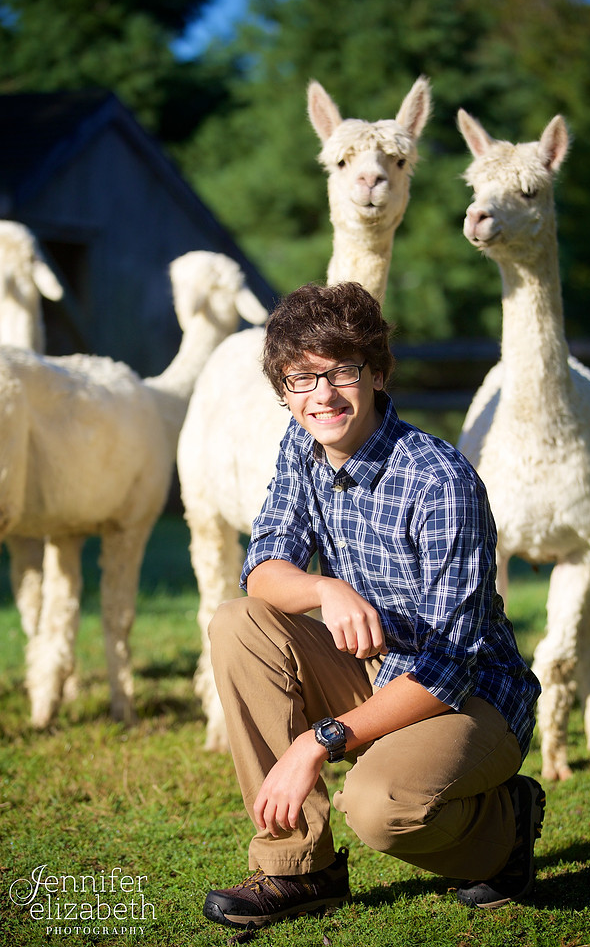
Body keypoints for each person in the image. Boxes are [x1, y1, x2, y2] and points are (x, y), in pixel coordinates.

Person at [203, 282, 544, 931]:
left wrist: (318, 741)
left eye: (342, 372)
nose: (322, 395)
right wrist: (326, 589)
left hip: (472, 696)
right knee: (237, 625)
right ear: (283, 390)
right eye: (302, 378)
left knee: (378, 807)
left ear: (378, 373)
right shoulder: (300, 446)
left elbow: (448, 667)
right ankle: (299, 869)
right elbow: (263, 571)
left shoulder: (439, 480)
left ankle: (506, 827)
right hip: (376, 668)